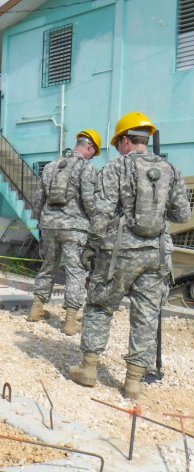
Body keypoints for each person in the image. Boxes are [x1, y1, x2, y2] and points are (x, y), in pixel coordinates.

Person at [68, 112, 191, 400]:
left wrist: (90, 247)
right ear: (145, 140)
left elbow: (101, 213)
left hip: (118, 252)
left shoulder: (115, 168)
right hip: (158, 253)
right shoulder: (171, 169)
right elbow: (183, 213)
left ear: (125, 140)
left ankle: (88, 369)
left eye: (117, 143)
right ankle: (134, 381)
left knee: (99, 305)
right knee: (147, 314)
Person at [27, 130, 102, 335]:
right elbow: (89, 201)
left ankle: (36, 308)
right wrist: (96, 221)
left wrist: (40, 221)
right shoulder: (87, 168)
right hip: (75, 228)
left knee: (47, 266)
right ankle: (70, 321)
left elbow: (38, 199)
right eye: (93, 152)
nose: (92, 156)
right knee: (75, 271)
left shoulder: (51, 167)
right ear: (90, 147)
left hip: (49, 225)